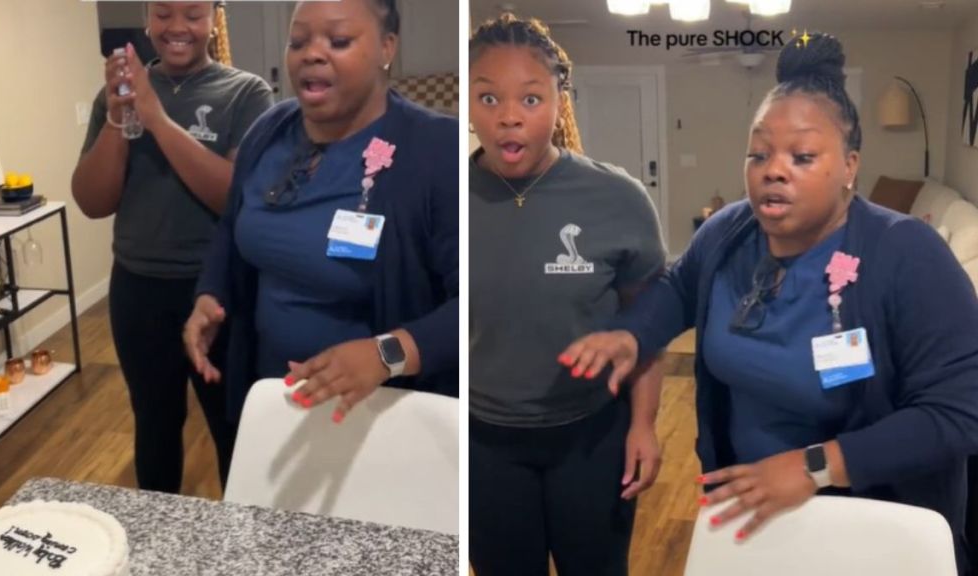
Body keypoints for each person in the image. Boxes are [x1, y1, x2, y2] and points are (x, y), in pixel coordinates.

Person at [563, 33, 978, 575]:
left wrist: (816, 466)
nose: (773, 169)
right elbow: (679, 288)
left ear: (851, 165)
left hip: (874, 525)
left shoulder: (905, 254)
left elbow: (958, 412)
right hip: (754, 512)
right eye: (758, 153)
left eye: (802, 156)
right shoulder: (729, 232)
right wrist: (631, 334)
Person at [183, 0, 458, 427]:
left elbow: (478, 306)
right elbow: (232, 229)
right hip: (269, 401)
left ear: (387, 48)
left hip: (380, 419)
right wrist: (210, 295)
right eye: (298, 41)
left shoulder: (437, 151)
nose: (312, 53)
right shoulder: (269, 131)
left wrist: (387, 354)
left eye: (339, 40)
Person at [468, 14, 666, 576]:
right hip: (487, 447)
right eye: (488, 97)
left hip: (593, 439)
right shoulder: (450, 199)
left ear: (560, 100)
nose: (509, 116)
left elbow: (647, 324)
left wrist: (644, 424)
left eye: (530, 99)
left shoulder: (618, 198)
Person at [72, 1, 274, 493]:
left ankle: (240, 548)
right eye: (163, 13)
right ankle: (156, 547)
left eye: (192, 13)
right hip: (137, 289)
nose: (177, 27)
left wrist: (157, 119)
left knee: (233, 428)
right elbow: (91, 201)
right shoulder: (116, 96)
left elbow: (234, 197)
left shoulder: (246, 93)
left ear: (213, 19)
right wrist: (122, 117)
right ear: (147, 18)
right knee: (155, 424)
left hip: (219, 293)